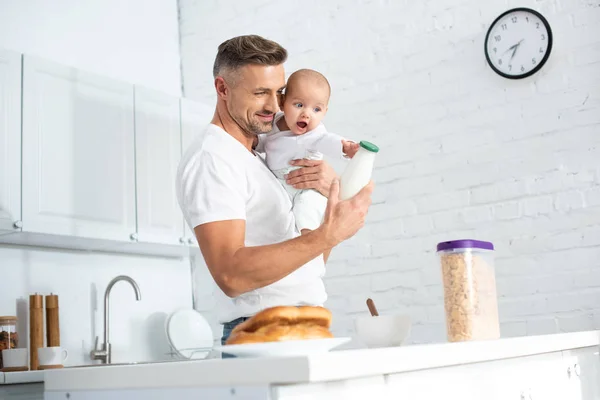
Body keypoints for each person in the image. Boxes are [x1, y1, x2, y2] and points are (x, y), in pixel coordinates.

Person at [175, 34, 373, 349]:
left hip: (307, 324)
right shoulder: (213, 158)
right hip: (262, 335)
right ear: (222, 88)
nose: (274, 105)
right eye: (260, 93)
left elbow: (309, 262)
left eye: (279, 92)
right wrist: (327, 235)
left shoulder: (261, 157)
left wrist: (329, 211)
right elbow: (230, 275)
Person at [254, 68, 360, 235]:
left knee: (306, 210)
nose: (306, 114)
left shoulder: (314, 133)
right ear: (282, 103)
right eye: (299, 105)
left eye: (316, 109)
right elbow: (264, 142)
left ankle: (309, 238)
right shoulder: (275, 122)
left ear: (325, 112)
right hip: (282, 182)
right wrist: (254, 142)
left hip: (307, 187)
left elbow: (327, 140)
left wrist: (345, 147)